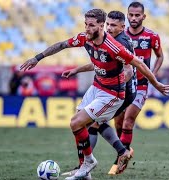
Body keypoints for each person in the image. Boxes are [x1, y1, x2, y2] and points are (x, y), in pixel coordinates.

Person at [20, 9, 169, 180]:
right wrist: (37, 58)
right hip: (97, 86)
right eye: (85, 24)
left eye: (91, 25)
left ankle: (95, 161)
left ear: (101, 26)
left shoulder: (115, 45)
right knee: (82, 124)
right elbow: (63, 45)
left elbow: (137, 64)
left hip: (112, 94)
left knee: (78, 123)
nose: (87, 28)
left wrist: (155, 83)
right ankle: (86, 169)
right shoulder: (85, 38)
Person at [60, 10, 137, 178]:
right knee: (91, 123)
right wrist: (77, 70)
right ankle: (113, 154)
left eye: (113, 25)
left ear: (122, 27)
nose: (109, 28)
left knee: (90, 123)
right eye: (108, 24)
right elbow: (99, 63)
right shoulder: (105, 39)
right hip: (110, 88)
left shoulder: (119, 42)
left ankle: (88, 165)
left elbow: (129, 70)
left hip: (121, 89)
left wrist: (113, 88)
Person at [108, 1, 165, 174]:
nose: (133, 18)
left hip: (140, 84)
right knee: (118, 122)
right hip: (122, 84)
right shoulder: (119, 36)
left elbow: (160, 56)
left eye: (137, 15)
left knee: (128, 120)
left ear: (143, 16)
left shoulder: (151, 37)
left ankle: (120, 161)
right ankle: (125, 149)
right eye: (131, 15)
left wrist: (151, 76)